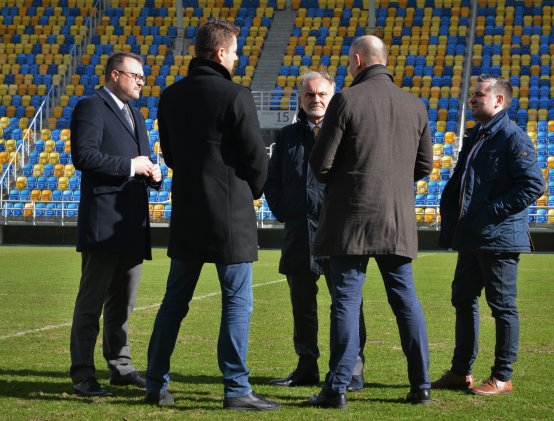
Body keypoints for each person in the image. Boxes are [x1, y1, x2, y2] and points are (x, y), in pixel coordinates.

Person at [145, 19, 279, 411]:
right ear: (221, 53)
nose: (237, 59)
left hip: (187, 211)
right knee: (236, 303)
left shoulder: (170, 96)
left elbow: (169, 154)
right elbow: (256, 157)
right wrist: (249, 192)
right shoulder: (236, 95)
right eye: (235, 52)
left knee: (174, 301)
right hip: (230, 216)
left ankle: (156, 382)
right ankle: (236, 389)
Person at [308, 35, 433, 409]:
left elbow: (321, 163)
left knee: (345, 301)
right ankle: (421, 384)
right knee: (406, 301)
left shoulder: (347, 99)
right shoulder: (415, 105)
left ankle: (338, 388)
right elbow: (424, 165)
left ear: (358, 60)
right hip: (396, 220)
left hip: (351, 220)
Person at [434, 74, 545, 395]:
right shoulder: (478, 136)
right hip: (472, 235)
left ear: (499, 100)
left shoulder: (512, 137)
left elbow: (533, 184)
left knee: (502, 306)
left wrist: (492, 212)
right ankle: (460, 371)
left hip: (498, 237)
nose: (472, 99)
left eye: (479, 95)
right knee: (463, 299)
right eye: (473, 95)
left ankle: (502, 376)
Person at [264, 71, 367, 391]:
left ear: (333, 98)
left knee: (348, 304)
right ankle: (306, 366)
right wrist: (288, 212)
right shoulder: (286, 137)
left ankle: (351, 369)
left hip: (340, 234)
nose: (316, 99)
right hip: (299, 234)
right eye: (310, 94)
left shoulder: (348, 134)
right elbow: (273, 182)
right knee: (302, 306)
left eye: (322, 94)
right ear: (300, 98)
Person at [69, 52, 162, 396]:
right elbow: (84, 156)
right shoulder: (90, 107)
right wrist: (130, 165)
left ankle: (120, 367)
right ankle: (82, 374)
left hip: (132, 224)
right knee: (91, 304)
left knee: (123, 304)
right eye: (136, 75)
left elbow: (143, 160)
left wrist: (152, 173)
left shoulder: (135, 115)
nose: (141, 81)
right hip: (103, 223)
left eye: (142, 77)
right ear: (113, 75)